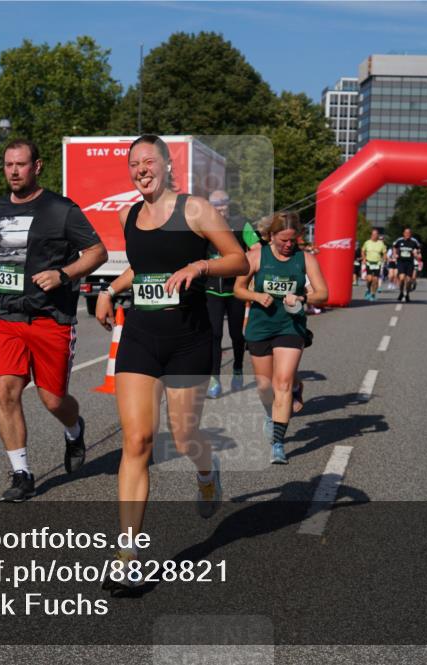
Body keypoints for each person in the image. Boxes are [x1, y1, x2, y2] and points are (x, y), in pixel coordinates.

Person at [94, 135, 247, 594]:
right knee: (137, 440)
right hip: (140, 336)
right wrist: (108, 289)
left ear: (166, 165)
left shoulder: (195, 209)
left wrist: (199, 269)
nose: (141, 169)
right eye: (134, 164)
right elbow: (142, 269)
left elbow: (237, 259)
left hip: (189, 340)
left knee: (184, 436)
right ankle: (127, 556)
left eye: (149, 162)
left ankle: (206, 471)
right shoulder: (128, 215)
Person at [0, 138, 107, 502]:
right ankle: (22, 472)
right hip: (7, 316)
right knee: (6, 391)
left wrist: (63, 275)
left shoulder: (60, 209)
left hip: (52, 318)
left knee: (53, 400)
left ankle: (74, 428)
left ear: (37, 166)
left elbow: (98, 252)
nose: (13, 171)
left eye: (20, 165)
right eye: (7, 165)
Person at [235, 211, 327, 465]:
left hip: (291, 325)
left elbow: (323, 293)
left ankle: (278, 443)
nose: (288, 245)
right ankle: (271, 412)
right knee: (265, 387)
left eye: (292, 240)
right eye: (283, 240)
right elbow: (238, 289)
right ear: (270, 236)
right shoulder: (255, 256)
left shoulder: (304, 259)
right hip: (260, 326)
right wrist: (256, 297)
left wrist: (301, 298)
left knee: (282, 383)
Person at [204, 190, 251, 399]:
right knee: (214, 335)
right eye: (215, 204)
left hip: (235, 290)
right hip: (212, 289)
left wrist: (247, 273)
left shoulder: (242, 224)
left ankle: (238, 369)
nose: (219, 207)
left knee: (235, 335)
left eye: (223, 203)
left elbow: (257, 248)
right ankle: (214, 379)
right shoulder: (204, 227)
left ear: (229, 204)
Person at [392, 228, 421, 303]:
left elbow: (418, 249)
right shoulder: (399, 240)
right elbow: (394, 247)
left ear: (410, 234)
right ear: (403, 233)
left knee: (408, 281)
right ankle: (401, 292)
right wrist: (395, 254)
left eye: (409, 233)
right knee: (401, 278)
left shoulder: (414, 241)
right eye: (406, 233)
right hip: (401, 262)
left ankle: (407, 294)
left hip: (410, 263)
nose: (407, 234)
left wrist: (416, 253)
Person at [360, 229, 387, 301]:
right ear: (371, 235)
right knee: (369, 279)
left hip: (377, 263)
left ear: (378, 235)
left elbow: (384, 253)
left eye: (376, 234)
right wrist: (364, 258)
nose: (375, 236)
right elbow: (362, 251)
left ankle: (373, 294)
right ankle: (368, 290)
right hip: (369, 262)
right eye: (373, 234)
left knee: (375, 280)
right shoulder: (367, 242)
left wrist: (384, 259)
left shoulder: (381, 243)